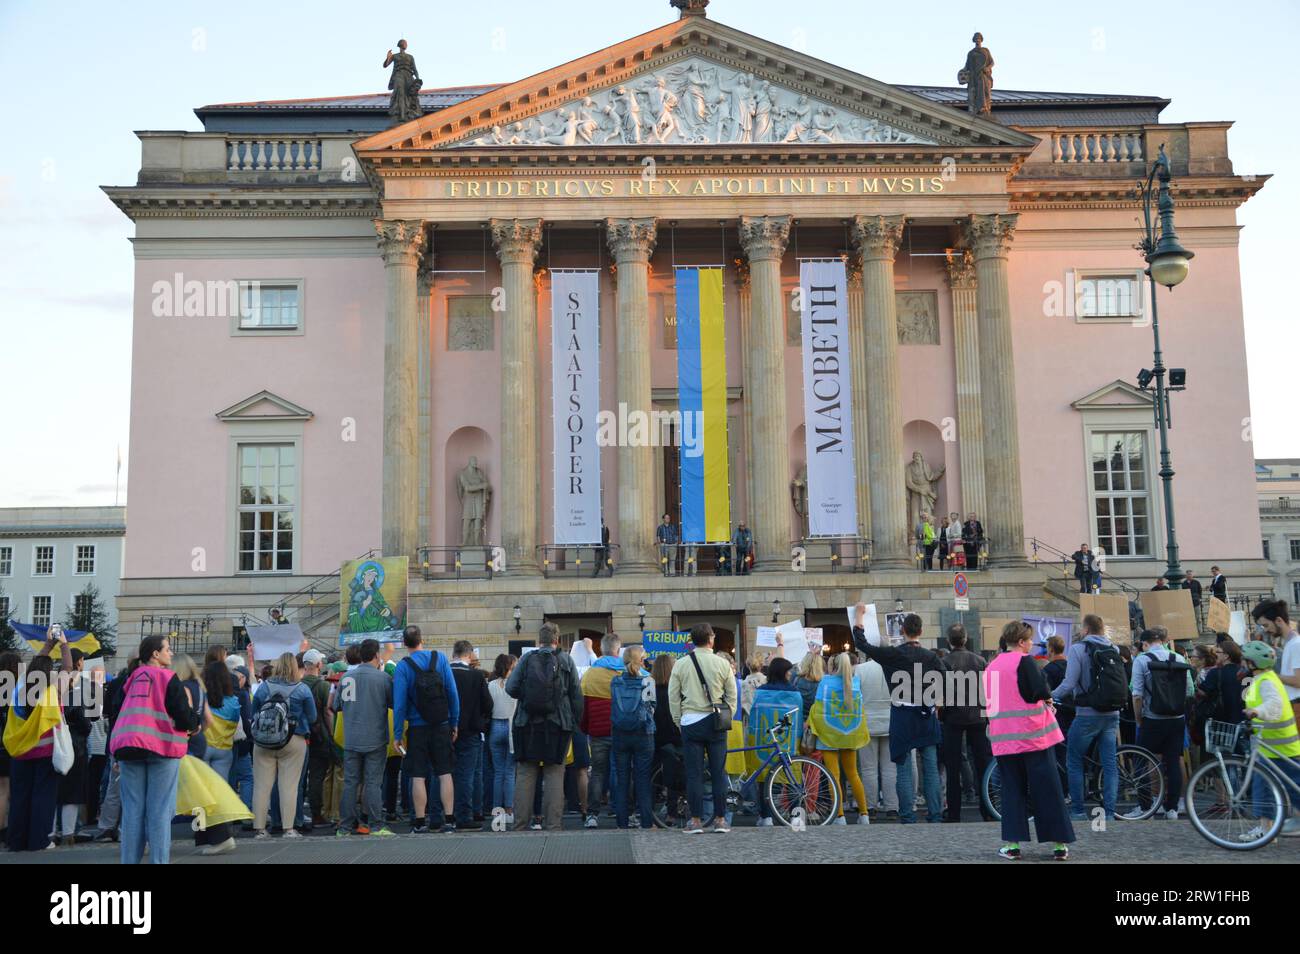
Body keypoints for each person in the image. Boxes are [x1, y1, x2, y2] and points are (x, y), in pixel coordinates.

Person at [986, 621, 1074, 861]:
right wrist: (1048, 701)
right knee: (1047, 790)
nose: (1031, 645)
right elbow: (1040, 690)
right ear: (1021, 642)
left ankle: (1012, 845)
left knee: (1012, 792)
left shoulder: (992, 666)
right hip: (1033, 737)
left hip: (1004, 739)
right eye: (1029, 640)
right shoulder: (1025, 661)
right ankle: (1059, 845)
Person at [107, 635, 196, 864]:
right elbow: (183, 715)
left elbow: (115, 713)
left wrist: (114, 753)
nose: (171, 653)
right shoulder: (167, 678)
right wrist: (194, 724)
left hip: (128, 749)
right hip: (162, 749)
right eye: (168, 649)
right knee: (159, 812)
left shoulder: (130, 679)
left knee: (132, 812)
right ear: (155, 654)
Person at [853, 613, 947, 823]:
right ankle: (935, 814)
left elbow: (863, 645)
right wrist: (936, 699)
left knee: (903, 767)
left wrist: (859, 618)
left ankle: (907, 815)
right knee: (931, 767)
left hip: (902, 713)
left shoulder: (892, 654)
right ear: (921, 631)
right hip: (926, 713)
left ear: (902, 631)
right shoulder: (931, 657)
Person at [505, 622, 583, 830]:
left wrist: (528, 696)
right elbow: (576, 695)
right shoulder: (566, 660)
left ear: (539, 640)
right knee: (554, 773)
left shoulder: (527, 659)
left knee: (525, 773)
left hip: (527, 723)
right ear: (557, 640)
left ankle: (520, 825)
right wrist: (575, 722)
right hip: (558, 724)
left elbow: (511, 688)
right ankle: (553, 825)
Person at [5, 629, 74, 852]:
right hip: (45, 751)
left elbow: (38, 665)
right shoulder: (53, 690)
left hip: (20, 749)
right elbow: (68, 669)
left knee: (20, 797)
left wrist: (47, 646)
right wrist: (63, 645)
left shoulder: (18, 688)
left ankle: (16, 840)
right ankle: (39, 841)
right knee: (43, 796)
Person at [1050, 614, 1125, 820]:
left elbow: (1069, 683)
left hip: (1087, 714)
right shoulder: (1113, 648)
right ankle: (1109, 813)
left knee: (1074, 760)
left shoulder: (1078, 649)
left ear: (1085, 630)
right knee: (1109, 764)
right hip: (1112, 714)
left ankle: (1078, 811)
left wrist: (1049, 696)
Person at [667, 623, 737, 833]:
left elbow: (673, 696)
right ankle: (720, 819)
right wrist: (727, 714)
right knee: (718, 772)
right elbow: (732, 694)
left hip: (690, 720)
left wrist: (679, 720)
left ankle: (696, 820)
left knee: (694, 774)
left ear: (692, 641)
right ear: (711, 639)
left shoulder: (681, 664)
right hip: (716, 721)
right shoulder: (722, 664)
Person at [392, 625, 460, 834]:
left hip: (417, 727)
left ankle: (420, 822)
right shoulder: (439, 658)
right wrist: (454, 721)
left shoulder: (403, 667)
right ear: (422, 639)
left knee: (418, 775)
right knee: (445, 773)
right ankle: (449, 821)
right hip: (441, 724)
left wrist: (397, 734)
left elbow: (399, 704)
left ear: (404, 643)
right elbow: (452, 692)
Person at [250, 652, 317, 839]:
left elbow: (254, 712)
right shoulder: (302, 689)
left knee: (261, 786)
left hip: (264, 740)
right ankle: (288, 828)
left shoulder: (264, 687)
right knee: (289, 786)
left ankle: (260, 829)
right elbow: (312, 717)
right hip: (294, 739)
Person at [1130, 627, 1193, 819]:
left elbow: (1137, 695)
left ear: (1145, 643)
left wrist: (1138, 718)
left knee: (1141, 760)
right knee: (1172, 761)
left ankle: (1145, 806)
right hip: (1176, 719)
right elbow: (1189, 691)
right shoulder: (1179, 658)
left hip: (1152, 717)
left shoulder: (1141, 660)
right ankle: (1172, 808)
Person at [1239, 640, 1300, 836]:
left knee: (1290, 788)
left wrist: (1257, 711)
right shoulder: (1263, 678)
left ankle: (1268, 829)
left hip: (1280, 746)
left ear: (1252, 663)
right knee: (1264, 787)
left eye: (1244, 660)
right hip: (1270, 746)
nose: (1242, 663)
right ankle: (1266, 829)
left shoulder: (1266, 682)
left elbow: (1274, 704)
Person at [337, 639, 396, 837]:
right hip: (375, 737)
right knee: (372, 783)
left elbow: (337, 706)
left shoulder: (346, 677)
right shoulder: (383, 679)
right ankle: (376, 825)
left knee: (350, 783)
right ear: (377, 655)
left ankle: (345, 827)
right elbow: (393, 704)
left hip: (351, 738)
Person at [940, 624, 993, 822]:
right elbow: (988, 693)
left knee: (953, 767)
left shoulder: (944, 662)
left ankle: (954, 813)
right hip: (977, 717)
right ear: (965, 639)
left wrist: (943, 714)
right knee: (983, 764)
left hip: (953, 718)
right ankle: (987, 809)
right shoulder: (980, 660)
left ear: (948, 640)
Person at [809, 652, 870, 824]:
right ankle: (864, 814)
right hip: (850, 733)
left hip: (829, 733)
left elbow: (817, 709)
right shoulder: (855, 682)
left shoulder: (825, 682)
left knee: (833, 776)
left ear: (832, 666)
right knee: (853, 774)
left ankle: (840, 816)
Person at [579, 633, 625, 827]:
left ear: (602, 649)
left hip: (597, 732)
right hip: (621, 729)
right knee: (619, 770)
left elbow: (583, 706)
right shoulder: (625, 671)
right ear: (618, 649)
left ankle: (592, 814)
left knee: (597, 772)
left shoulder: (590, 674)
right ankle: (620, 811)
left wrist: (585, 728)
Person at [609, 646, 656, 829]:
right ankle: (646, 821)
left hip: (620, 733)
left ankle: (622, 822)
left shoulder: (615, 681)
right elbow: (652, 708)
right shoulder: (648, 681)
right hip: (643, 734)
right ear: (641, 660)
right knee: (643, 779)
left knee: (622, 779)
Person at [449, 640, 493, 830]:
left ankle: (441, 814)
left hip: (446, 730)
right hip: (471, 730)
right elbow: (488, 704)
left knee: (443, 774)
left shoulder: (445, 673)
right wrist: (481, 719)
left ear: (454, 654)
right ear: (469, 654)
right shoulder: (476, 676)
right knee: (466, 775)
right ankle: (464, 816)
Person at [854, 649, 897, 819]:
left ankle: (870, 806)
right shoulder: (894, 668)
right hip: (891, 721)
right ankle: (892, 807)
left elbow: (855, 696)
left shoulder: (860, 669)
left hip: (867, 722)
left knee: (868, 768)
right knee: (890, 768)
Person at [299, 649, 333, 829]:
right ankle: (316, 814)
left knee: (298, 777)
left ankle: (296, 813)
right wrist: (332, 734)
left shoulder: (297, 684)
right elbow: (328, 712)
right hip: (319, 736)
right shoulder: (323, 686)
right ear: (319, 665)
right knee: (317, 776)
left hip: (299, 736)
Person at [651, 652, 683, 826]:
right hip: (675, 738)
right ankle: (672, 813)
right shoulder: (676, 690)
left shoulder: (650, 690)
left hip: (655, 738)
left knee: (652, 777)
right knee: (674, 777)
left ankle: (648, 814)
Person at [487, 654, 517, 826]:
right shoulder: (515, 685)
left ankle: (497, 813)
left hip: (495, 725)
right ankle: (509, 810)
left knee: (498, 772)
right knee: (510, 772)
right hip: (511, 725)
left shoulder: (490, 685)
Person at [1253, 600, 1299, 707]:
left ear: (1278, 620)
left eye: (1266, 625)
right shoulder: (1290, 644)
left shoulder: (1295, 644)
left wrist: (1268, 675)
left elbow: (1298, 681)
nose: (1265, 630)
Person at [1041, 635, 1073, 773]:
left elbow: (1045, 695)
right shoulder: (1071, 666)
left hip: (1058, 716)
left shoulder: (1048, 670)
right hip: (1075, 712)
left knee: (1060, 753)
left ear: (1051, 649)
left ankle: (1064, 782)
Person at [740, 649, 768, 722]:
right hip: (765, 719)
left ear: (747, 665)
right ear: (762, 664)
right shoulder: (767, 681)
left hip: (750, 721)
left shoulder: (743, 684)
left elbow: (742, 707)